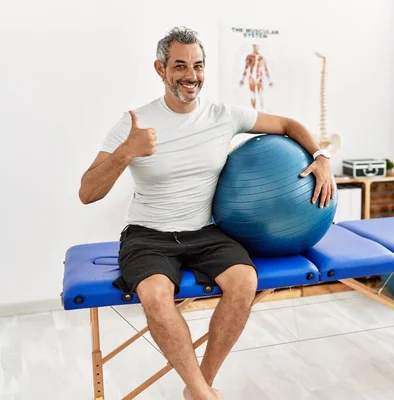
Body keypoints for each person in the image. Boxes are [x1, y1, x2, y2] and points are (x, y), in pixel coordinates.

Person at [78, 26, 334, 400]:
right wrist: (126, 153)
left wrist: (320, 156)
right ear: (160, 69)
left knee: (245, 282)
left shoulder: (223, 115)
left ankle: (199, 386)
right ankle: (201, 391)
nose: (191, 76)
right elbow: (87, 192)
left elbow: (288, 125)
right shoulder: (134, 123)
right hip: (149, 233)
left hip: (204, 231)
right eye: (180, 66)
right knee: (154, 295)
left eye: (197, 65)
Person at [239, 43, 273, 111]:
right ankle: (254, 110)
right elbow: (246, 68)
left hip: (259, 77)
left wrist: (269, 81)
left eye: (257, 47)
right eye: (254, 47)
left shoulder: (261, 57)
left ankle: (262, 110)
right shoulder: (249, 56)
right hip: (252, 77)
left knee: (260, 94)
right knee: (252, 94)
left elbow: (266, 70)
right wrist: (243, 79)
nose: (256, 48)